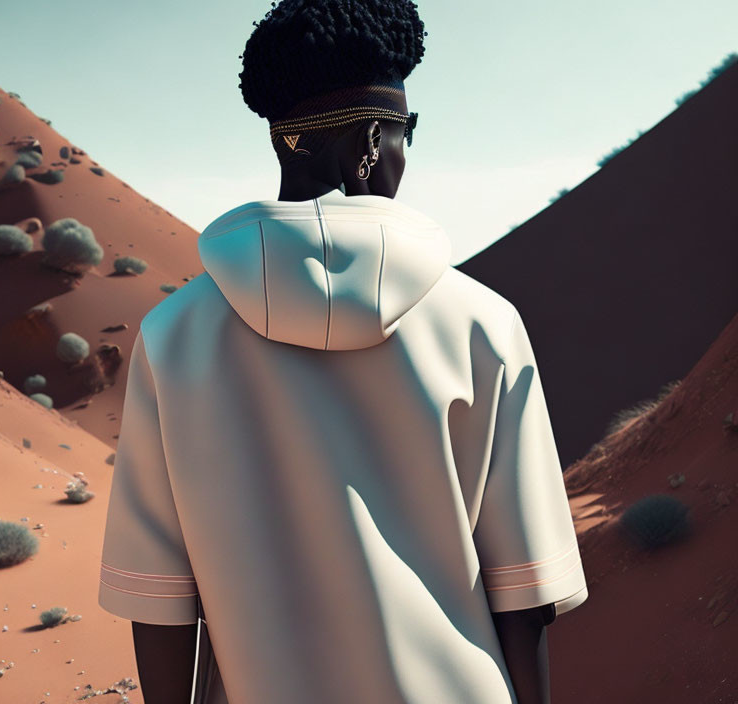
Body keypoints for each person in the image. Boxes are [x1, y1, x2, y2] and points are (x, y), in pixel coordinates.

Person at [97, 1, 589, 702]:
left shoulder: (174, 334)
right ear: (369, 141)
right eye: (404, 132)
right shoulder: (484, 322)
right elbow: (524, 591)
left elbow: (159, 599)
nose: (405, 153)